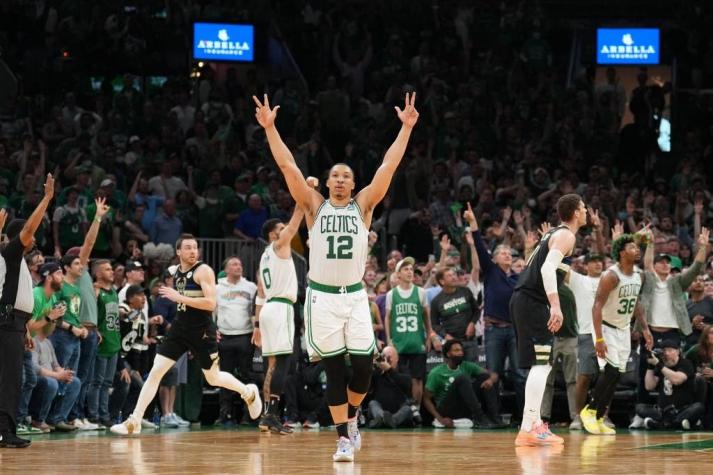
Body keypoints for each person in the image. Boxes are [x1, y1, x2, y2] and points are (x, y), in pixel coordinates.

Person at [254, 92, 419, 462]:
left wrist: (406, 128)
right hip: (322, 297)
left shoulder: (364, 205)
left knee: (363, 369)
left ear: (353, 182)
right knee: (333, 369)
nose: (341, 180)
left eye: (347, 176)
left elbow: (388, 167)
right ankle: (343, 437)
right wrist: (271, 128)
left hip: (355, 296)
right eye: (335, 176)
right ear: (328, 184)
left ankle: (353, 417)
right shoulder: (314, 206)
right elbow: (288, 167)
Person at [110, 234, 262, 435]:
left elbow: (210, 303)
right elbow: (174, 270)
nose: (193, 251)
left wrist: (178, 296)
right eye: (188, 248)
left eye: (195, 247)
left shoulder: (204, 271)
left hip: (201, 331)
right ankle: (134, 420)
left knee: (213, 378)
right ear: (178, 252)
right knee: (156, 371)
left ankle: (248, 392)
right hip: (180, 328)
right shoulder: (177, 270)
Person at [510, 194, 587, 446]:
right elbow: (545, 269)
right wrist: (555, 304)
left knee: (541, 364)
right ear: (576, 212)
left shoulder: (554, 233)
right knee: (542, 365)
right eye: (584, 208)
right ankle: (530, 426)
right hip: (533, 301)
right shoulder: (566, 235)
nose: (586, 211)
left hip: (526, 300)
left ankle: (530, 426)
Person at [0, 173, 54, 448]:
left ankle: (5, 429)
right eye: (28, 237)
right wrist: (46, 199)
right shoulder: (8, 252)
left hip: (16, 324)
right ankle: (5, 432)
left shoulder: (15, 259)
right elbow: (28, 229)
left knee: (12, 379)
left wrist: (24, 329)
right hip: (7, 321)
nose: (33, 241)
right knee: (9, 379)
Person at [580, 234, 654, 435]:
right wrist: (599, 338)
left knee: (617, 375)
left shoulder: (639, 275)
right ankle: (590, 410)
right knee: (611, 371)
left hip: (623, 330)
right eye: (632, 247)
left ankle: (599, 416)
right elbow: (596, 307)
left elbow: (636, 303)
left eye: (637, 247)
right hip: (606, 328)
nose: (637, 250)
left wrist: (645, 328)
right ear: (622, 253)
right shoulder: (610, 276)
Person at [255, 200, 309, 434]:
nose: (285, 229)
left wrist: (256, 324)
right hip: (281, 307)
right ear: (272, 234)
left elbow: (259, 292)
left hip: (268, 308)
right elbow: (296, 219)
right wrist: (305, 194)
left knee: (272, 365)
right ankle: (272, 414)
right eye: (280, 228)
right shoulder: (278, 246)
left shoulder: (265, 256)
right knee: (284, 364)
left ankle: (268, 414)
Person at [384, 256, 439, 425]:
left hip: (416, 341)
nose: (410, 272)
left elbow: (426, 316)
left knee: (417, 379)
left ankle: (415, 410)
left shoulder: (421, 292)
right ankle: (403, 410)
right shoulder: (391, 294)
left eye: (411, 269)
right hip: (399, 342)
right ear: (398, 274)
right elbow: (387, 318)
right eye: (405, 269)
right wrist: (389, 340)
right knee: (398, 377)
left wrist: (430, 334)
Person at [214, 256, 257, 426]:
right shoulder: (217, 288)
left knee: (247, 376)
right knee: (224, 376)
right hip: (225, 337)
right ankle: (225, 413)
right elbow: (211, 310)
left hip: (245, 337)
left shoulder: (251, 287)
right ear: (226, 269)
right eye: (234, 264)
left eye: (240, 264)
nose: (238, 266)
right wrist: (212, 329)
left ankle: (249, 414)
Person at [565, 253, 604, 430]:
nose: (598, 264)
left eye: (600, 261)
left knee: (608, 378)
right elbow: (557, 267)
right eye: (594, 261)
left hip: (609, 333)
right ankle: (579, 417)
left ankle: (602, 416)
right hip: (586, 334)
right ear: (585, 265)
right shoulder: (578, 280)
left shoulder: (610, 279)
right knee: (583, 377)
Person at [422, 339, 500, 429]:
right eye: (456, 350)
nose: (460, 353)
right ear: (448, 354)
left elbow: (494, 375)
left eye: (461, 350)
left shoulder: (467, 365)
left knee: (485, 377)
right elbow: (426, 399)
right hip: (447, 409)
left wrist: (490, 380)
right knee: (462, 378)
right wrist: (440, 419)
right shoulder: (436, 372)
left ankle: (495, 418)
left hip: (463, 407)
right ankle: (480, 418)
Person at [634, 338, 705, 430]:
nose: (666, 354)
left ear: (678, 352)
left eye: (670, 350)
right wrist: (650, 366)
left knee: (698, 407)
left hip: (681, 409)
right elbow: (649, 386)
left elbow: (677, 379)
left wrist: (659, 365)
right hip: (662, 410)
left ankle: (661, 424)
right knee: (640, 407)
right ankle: (677, 423)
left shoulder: (685, 363)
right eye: (664, 351)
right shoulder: (661, 364)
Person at [86, 259, 120, 428]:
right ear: (98, 273)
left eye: (111, 268)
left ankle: (104, 415)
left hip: (113, 341)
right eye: (107, 269)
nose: (112, 271)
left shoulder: (113, 291)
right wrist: (95, 329)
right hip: (101, 342)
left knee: (107, 383)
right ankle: (93, 415)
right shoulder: (96, 290)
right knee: (96, 382)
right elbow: (89, 313)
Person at [430, 267, 480, 361]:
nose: (453, 277)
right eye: (449, 276)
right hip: (452, 343)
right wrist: (445, 335)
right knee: (454, 373)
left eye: (454, 274)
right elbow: (434, 324)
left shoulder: (465, 291)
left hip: (469, 340)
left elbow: (477, 311)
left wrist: (472, 323)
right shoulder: (436, 301)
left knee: (472, 371)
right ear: (442, 281)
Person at [368, 346, 415, 429]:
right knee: (372, 404)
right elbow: (367, 389)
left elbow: (407, 384)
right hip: (380, 408)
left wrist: (389, 370)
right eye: (384, 357)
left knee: (407, 409)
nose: (387, 360)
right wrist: (371, 368)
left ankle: (387, 420)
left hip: (398, 409)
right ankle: (386, 419)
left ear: (397, 359)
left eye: (389, 357)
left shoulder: (403, 369)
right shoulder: (377, 371)